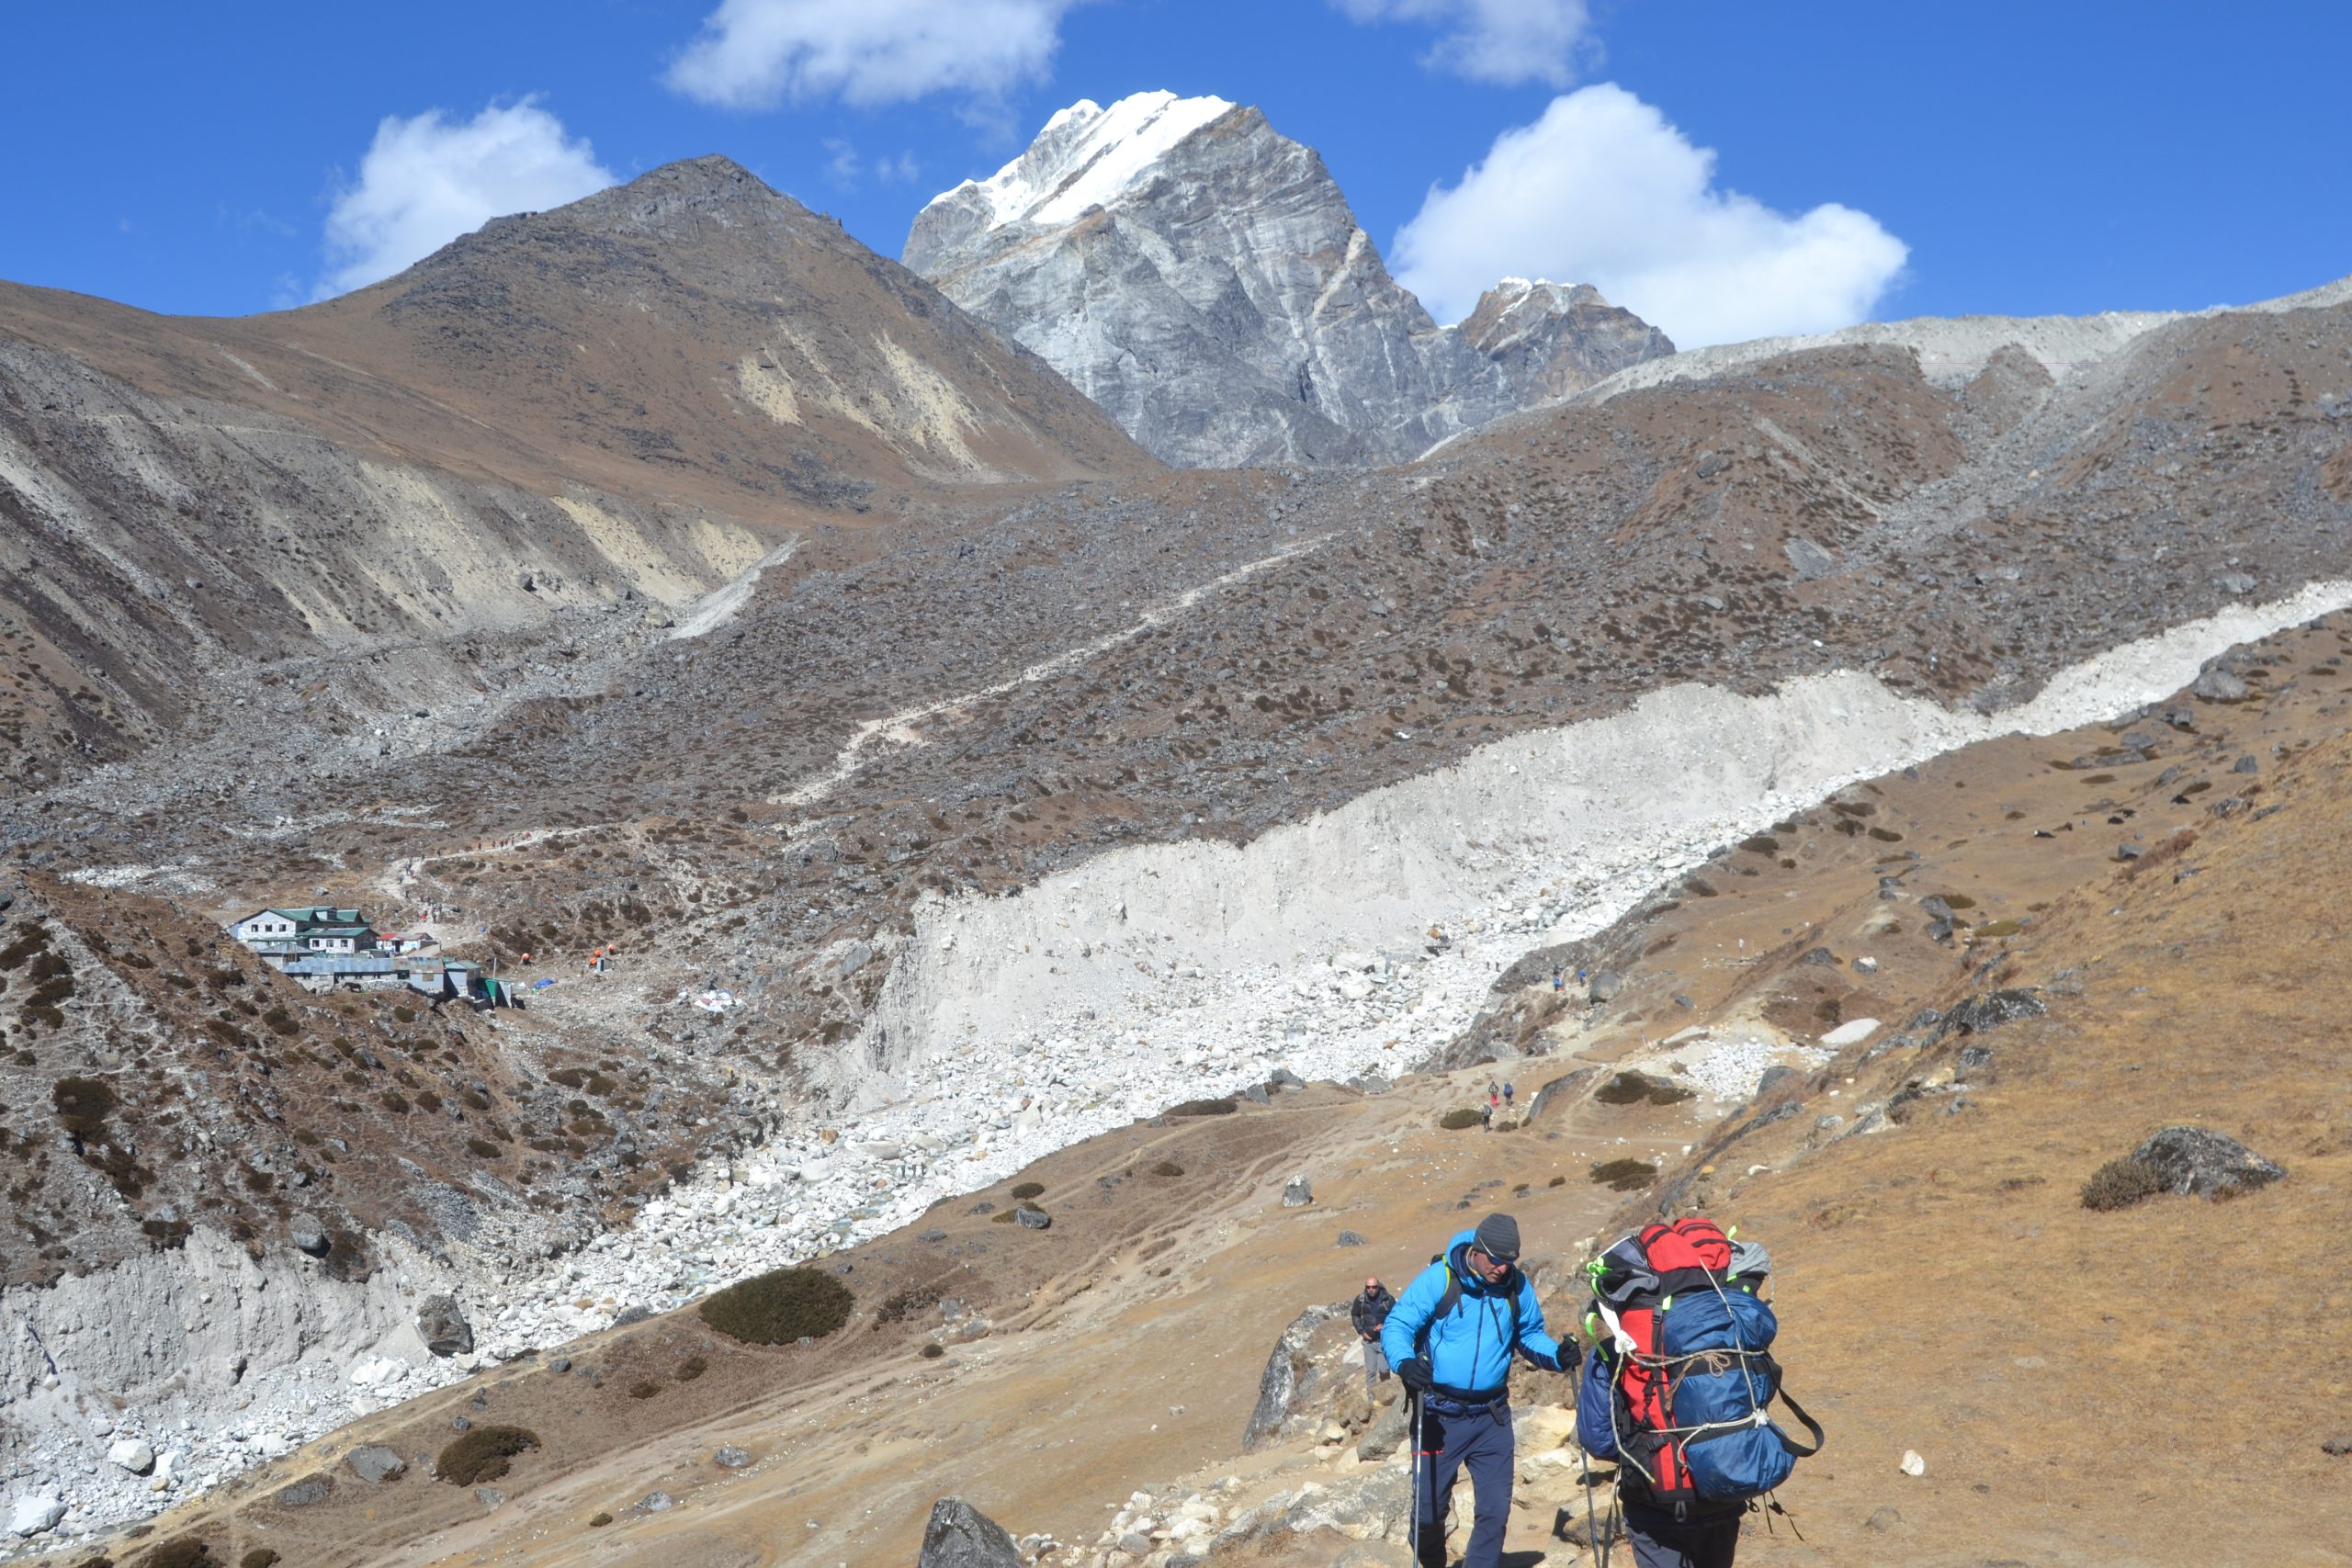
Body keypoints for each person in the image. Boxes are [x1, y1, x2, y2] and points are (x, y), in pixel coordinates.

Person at [1382, 1214, 1576, 1568]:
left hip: (1491, 1418)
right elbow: (1398, 1324)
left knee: (1494, 1512)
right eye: (1497, 1260)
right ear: (1477, 1250)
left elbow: (1529, 1335)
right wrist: (1405, 1363)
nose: (1503, 1269)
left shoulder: (1516, 1286)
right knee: (1427, 1515)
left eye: (1510, 1262)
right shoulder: (1441, 1278)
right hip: (1438, 1414)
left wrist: (1558, 1357)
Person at [1351, 1275, 1396, 1393]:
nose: (1371, 1289)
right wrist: (1361, 1331)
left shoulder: (1388, 1300)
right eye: (1368, 1287)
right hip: (1369, 1341)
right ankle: (1372, 1399)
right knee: (1370, 1371)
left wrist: (1385, 1327)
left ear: (1378, 1287)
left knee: (1384, 1370)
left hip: (1384, 1341)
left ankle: (1387, 1395)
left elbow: (1396, 1316)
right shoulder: (1361, 1300)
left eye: (1374, 1287)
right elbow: (1355, 1315)